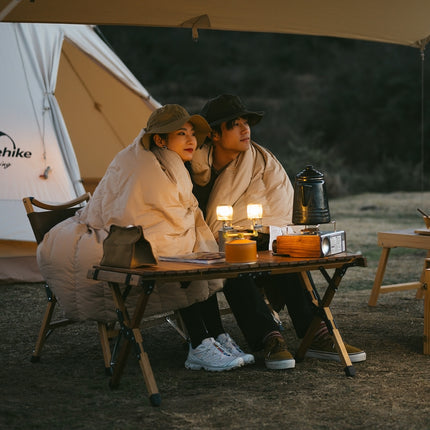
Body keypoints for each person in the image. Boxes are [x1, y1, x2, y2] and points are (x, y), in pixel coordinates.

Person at [37, 104, 253, 372]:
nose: (191, 140)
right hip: (110, 243)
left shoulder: (168, 162)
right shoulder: (142, 165)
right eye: (181, 134)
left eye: (192, 134)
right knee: (184, 260)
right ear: (160, 139)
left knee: (193, 256)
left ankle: (214, 337)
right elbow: (132, 215)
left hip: (140, 240)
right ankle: (200, 343)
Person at [189, 94, 366, 369]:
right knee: (236, 259)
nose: (245, 129)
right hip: (208, 247)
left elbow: (278, 207)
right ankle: (269, 337)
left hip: (260, 237)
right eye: (235, 124)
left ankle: (315, 333)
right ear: (213, 133)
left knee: (286, 247)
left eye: (246, 122)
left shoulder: (260, 162)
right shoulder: (193, 171)